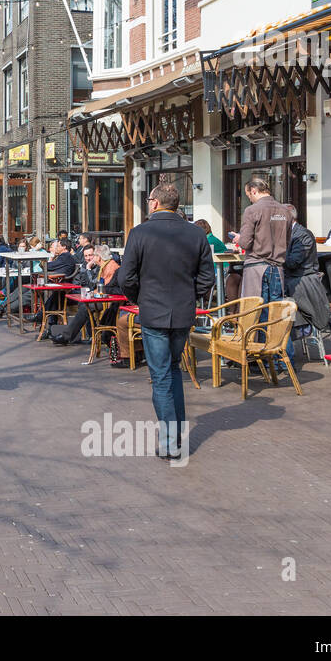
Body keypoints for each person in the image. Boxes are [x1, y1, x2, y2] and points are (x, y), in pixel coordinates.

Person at [119, 184, 215, 458]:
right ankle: (175, 438)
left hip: (154, 312)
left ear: (155, 203)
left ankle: (171, 442)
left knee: (161, 376)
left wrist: (140, 298)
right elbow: (207, 278)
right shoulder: (195, 233)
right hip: (182, 312)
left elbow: (126, 277)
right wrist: (189, 296)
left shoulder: (140, 233)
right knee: (172, 371)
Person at [47, 245, 122, 346]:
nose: (90, 258)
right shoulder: (104, 266)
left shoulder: (110, 267)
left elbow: (105, 288)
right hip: (96, 295)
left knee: (85, 306)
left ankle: (69, 336)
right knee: (61, 296)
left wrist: (92, 292)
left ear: (99, 257)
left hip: (109, 301)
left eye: (93, 255)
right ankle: (73, 335)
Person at [234, 176, 289, 300]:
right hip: (278, 267)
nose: (250, 199)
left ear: (254, 190)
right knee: (276, 313)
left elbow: (245, 243)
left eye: (248, 195)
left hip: (256, 268)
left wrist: (240, 238)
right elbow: (287, 239)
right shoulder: (285, 211)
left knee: (257, 312)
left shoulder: (252, 210)